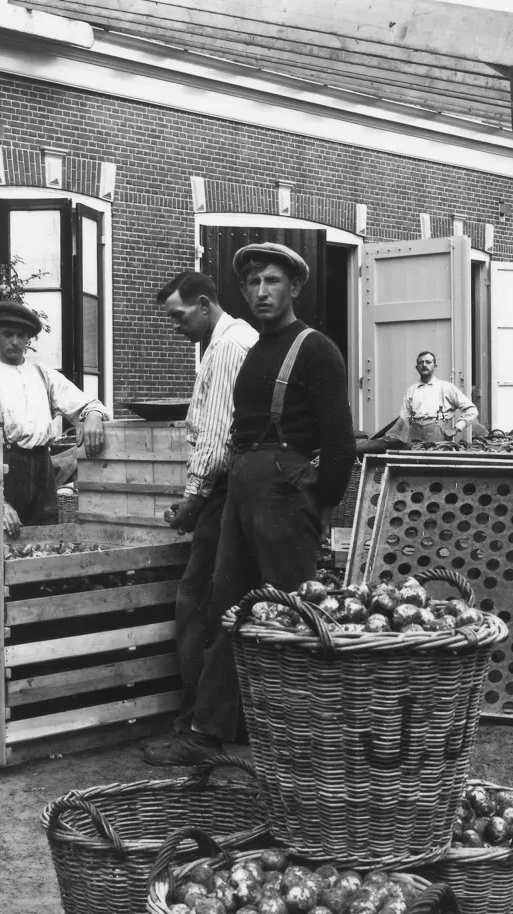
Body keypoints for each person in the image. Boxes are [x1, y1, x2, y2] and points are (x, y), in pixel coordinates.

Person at [144, 242, 356, 766]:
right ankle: (209, 732)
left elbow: (340, 443)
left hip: (285, 496)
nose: (262, 291)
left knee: (293, 617)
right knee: (229, 612)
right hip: (243, 487)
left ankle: (310, 739)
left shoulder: (315, 349)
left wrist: (321, 510)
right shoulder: (256, 350)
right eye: (254, 282)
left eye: (273, 281)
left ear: (295, 288)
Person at [157, 270, 258, 728]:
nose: (176, 327)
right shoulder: (228, 342)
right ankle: (224, 714)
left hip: (224, 489)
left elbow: (217, 438)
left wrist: (193, 498)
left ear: (203, 304)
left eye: (179, 317)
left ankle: (201, 714)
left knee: (196, 599)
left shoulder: (228, 347)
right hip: (237, 487)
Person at [0, 300, 110, 536]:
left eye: (21, 335)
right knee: (4, 546)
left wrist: (92, 416)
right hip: (3, 473)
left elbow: (86, 404)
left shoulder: (43, 375)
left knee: (48, 541)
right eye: (8, 334)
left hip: (43, 471)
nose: (15, 342)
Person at [399, 351, 478, 443]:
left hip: (439, 436)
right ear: (417, 368)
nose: (424, 365)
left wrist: (456, 429)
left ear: (434, 366)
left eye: (428, 362)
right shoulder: (411, 390)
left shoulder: (446, 387)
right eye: (421, 363)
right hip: (415, 437)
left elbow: (471, 410)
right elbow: (404, 418)